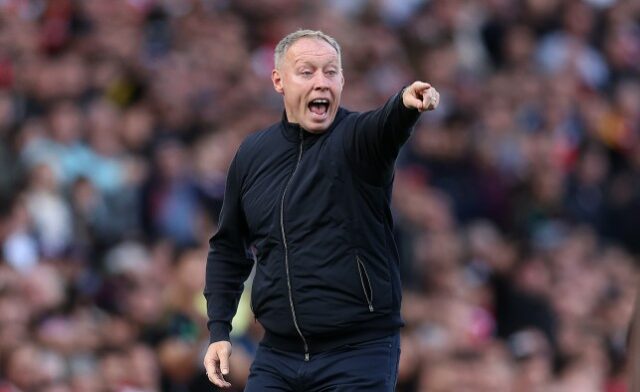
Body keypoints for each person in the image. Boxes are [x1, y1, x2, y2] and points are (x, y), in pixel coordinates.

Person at [203, 29, 439, 391]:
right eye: (307, 71)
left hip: (358, 353)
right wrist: (219, 329)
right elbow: (228, 248)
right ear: (279, 81)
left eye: (331, 72)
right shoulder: (252, 154)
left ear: (343, 80)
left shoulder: (357, 140)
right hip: (278, 355)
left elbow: (385, 126)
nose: (321, 82)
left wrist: (405, 104)